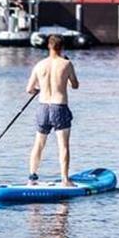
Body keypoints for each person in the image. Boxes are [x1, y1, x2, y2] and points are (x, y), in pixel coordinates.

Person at [26, 34, 79, 186]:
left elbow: (29, 89)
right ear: (62, 47)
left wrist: (39, 90)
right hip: (59, 107)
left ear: (49, 46)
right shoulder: (66, 64)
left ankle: (32, 179)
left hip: (43, 107)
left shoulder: (39, 65)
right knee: (63, 146)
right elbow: (75, 85)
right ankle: (65, 180)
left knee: (39, 144)